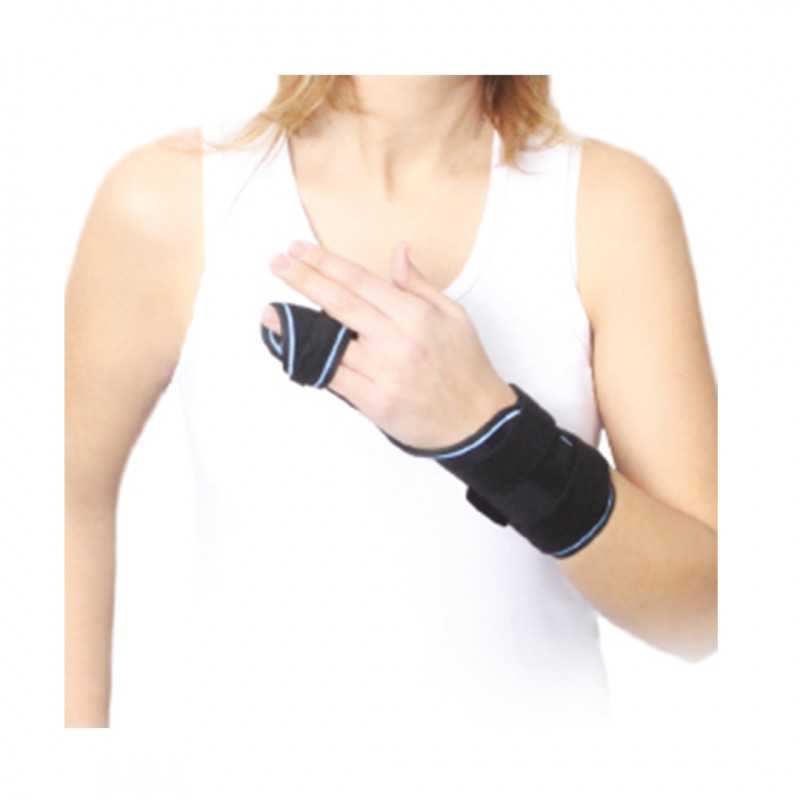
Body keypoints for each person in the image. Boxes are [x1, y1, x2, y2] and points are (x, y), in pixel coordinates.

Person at [65, 76, 717, 733]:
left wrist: (489, 434)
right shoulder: (172, 199)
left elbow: (706, 615)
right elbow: (64, 501)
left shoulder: (609, 208)